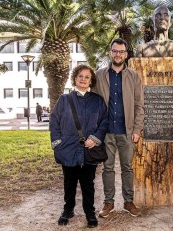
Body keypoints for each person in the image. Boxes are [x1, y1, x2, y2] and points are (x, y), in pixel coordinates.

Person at [50, 65, 108, 228]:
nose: (83, 79)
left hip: (89, 149)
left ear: (91, 80)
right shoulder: (64, 99)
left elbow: (104, 121)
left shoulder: (97, 101)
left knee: (88, 184)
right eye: (80, 76)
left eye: (87, 77)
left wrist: (95, 138)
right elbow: (54, 121)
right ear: (75, 78)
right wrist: (57, 143)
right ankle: (68, 210)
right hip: (68, 148)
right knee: (69, 183)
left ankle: (90, 212)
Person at [94, 38, 144, 218]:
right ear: (110, 52)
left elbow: (139, 105)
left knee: (127, 168)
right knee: (107, 168)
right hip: (106, 132)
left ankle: (128, 202)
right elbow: (93, 103)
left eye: (121, 52)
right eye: (115, 51)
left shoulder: (134, 76)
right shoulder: (99, 75)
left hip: (127, 132)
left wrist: (137, 129)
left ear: (126, 54)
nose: (118, 54)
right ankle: (108, 203)